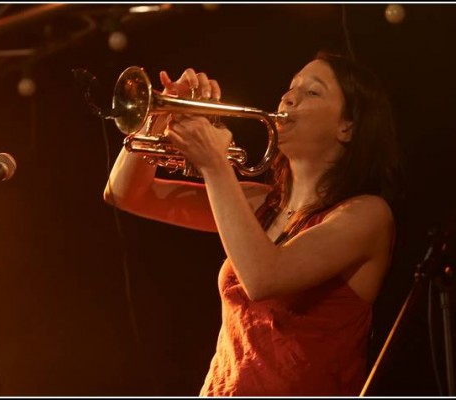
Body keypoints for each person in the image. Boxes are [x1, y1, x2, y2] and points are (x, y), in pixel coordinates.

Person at [103, 50, 404, 396]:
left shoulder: (367, 215)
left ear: (347, 126)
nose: (289, 97)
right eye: (291, 87)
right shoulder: (261, 204)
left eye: (312, 92)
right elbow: (124, 194)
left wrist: (216, 166)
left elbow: (264, 277)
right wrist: (162, 110)